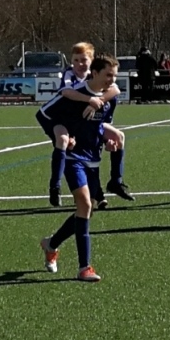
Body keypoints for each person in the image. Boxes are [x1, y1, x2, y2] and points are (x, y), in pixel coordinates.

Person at [39, 54, 120, 282]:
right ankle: (85, 268)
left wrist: (108, 141)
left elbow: (101, 125)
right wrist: (60, 135)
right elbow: (43, 114)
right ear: (94, 73)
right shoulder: (74, 94)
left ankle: (51, 243)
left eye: (114, 76)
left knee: (86, 211)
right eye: (108, 75)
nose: (112, 80)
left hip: (93, 158)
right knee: (84, 204)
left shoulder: (110, 98)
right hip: (73, 158)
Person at [37, 42, 133, 207]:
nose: (79, 64)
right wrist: (89, 100)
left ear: (92, 62)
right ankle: (55, 186)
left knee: (118, 137)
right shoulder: (70, 77)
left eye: (84, 60)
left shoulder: (104, 85)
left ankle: (115, 182)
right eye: (76, 60)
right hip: (64, 121)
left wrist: (98, 103)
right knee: (63, 141)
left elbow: (115, 91)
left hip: (87, 125)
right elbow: (64, 94)